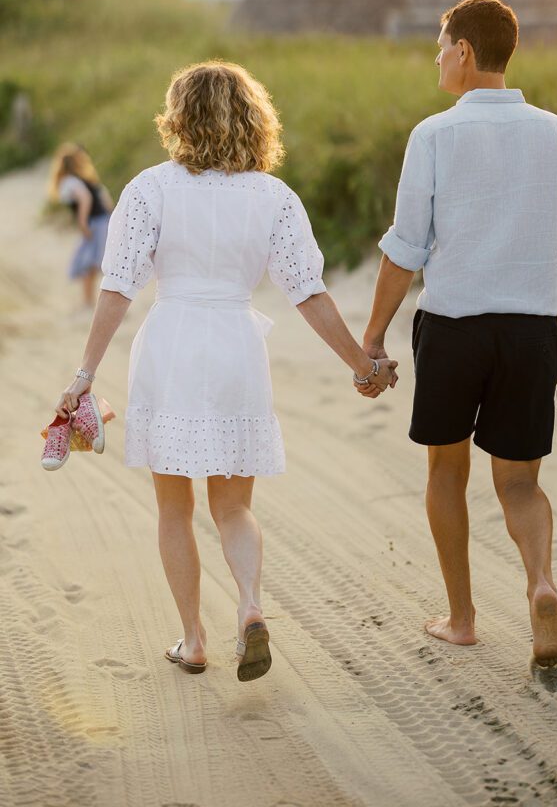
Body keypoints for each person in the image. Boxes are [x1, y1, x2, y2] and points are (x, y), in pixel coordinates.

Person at [52, 61, 396, 682]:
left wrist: (85, 372)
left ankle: (193, 639)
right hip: (237, 346)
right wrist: (363, 363)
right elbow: (309, 293)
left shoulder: (150, 188)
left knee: (173, 508)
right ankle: (250, 605)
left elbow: (118, 287)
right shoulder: (273, 197)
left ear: (178, 117)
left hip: (173, 345)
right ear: (252, 118)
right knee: (233, 507)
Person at [360, 0, 557, 667]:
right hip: (531, 332)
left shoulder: (434, 135)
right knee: (521, 483)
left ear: (465, 51)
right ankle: (540, 584)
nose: (437, 58)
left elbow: (405, 248)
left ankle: (462, 618)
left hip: (451, 330)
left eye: (441, 46)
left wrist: (374, 335)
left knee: (446, 470)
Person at [48, 143, 115, 309]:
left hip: (94, 223)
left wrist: (83, 222)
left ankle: (89, 302)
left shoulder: (69, 182)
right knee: (91, 263)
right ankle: (89, 300)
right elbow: (106, 200)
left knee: (88, 263)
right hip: (102, 221)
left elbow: (84, 198)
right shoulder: (88, 181)